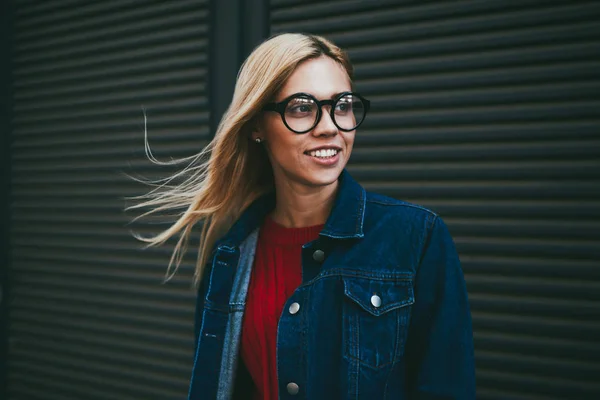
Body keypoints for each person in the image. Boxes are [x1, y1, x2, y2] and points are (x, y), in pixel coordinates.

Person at [132, 33, 475, 399]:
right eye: (301, 107)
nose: (329, 126)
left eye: (342, 105)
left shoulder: (416, 238)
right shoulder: (230, 253)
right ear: (256, 126)